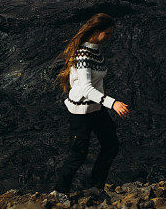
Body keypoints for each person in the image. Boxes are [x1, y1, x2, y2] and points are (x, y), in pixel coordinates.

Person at [49, 13, 131, 203]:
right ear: (96, 32)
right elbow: (86, 88)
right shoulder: (83, 55)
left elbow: (96, 82)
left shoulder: (95, 50)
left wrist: (103, 101)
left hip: (96, 108)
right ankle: (59, 192)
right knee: (79, 152)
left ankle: (96, 187)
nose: (110, 38)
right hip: (81, 113)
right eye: (107, 34)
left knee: (110, 145)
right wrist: (113, 103)